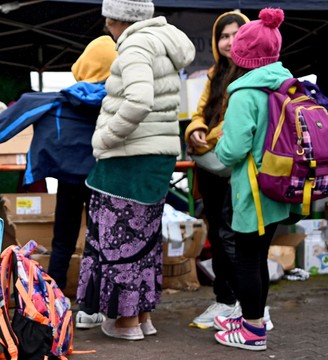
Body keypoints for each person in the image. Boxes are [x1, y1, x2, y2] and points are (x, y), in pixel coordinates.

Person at [0, 35, 118, 329]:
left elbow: (21, 111)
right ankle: (90, 307)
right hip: (103, 178)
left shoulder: (61, 98)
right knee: (99, 241)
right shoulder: (117, 103)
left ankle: (51, 302)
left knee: (63, 240)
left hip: (67, 177)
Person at [77, 0, 194, 341]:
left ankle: (126, 322)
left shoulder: (134, 45)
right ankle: (142, 317)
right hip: (157, 155)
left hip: (127, 159)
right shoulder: (163, 41)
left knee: (117, 241)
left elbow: (139, 99)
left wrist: (105, 137)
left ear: (115, 18)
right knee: (144, 241)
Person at [212, 8, 293, 351]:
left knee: (246, 259)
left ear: (243, 54)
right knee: (257, 256)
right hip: (279, 184)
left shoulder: (245, 93)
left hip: (254, 188)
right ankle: (250, 316)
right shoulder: (284, 84)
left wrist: (218, 143)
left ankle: (253, 330)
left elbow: (231, 151)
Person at [183, 11, 254, 330]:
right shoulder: (215, 72)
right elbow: (200, 112)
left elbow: (236, 125)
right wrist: (194, 130)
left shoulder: (250, 74)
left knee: (230, 234)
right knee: (216, 229)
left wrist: (203, 140)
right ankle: (224, 299)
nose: (229, 41)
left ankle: (243, 303)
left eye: (236, 34)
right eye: (223, 36)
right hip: (210, 166)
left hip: (236, 165)